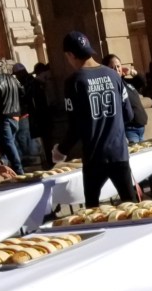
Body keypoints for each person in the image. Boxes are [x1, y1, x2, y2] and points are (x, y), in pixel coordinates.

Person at [54, 31, 134, 207]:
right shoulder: (114, 76)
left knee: (92, 209)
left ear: (70, 55)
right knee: (132, 205)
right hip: (118, 152)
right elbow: (128, 114)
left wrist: (61, 150)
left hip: (94, 156)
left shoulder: (74, 82)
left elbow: (74, 125)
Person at [0, 57, 25, 176]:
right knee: (7, 144)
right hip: (15, 116)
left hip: (3, 117)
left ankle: (19, 171)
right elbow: (22, 93)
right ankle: (8, 169)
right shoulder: (12, 78)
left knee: (8, 144)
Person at [102, 53, 148, 144]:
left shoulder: (126, 82)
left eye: (118, 66)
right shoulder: (110, 87)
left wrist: (132, 73)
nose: (116, 69)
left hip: (141, 128)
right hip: (129, 130)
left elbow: (142, 82)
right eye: (112, 67)